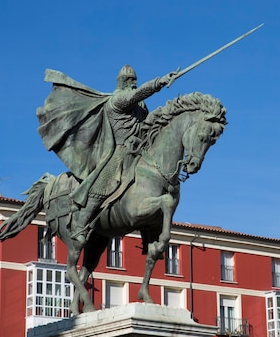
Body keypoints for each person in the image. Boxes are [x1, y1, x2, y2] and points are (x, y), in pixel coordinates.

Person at [36, 65, 176, 241]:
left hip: (140, 151)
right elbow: (137, 94)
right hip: (119, 152)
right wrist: (159, 82)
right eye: (131, 81)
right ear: (123, 82)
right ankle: (81, 225)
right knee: (103, 182)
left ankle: (151, 235)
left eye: (135, 81)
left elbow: (147, 123)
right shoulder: (117, 101)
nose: (134, 84)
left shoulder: (140, 107)